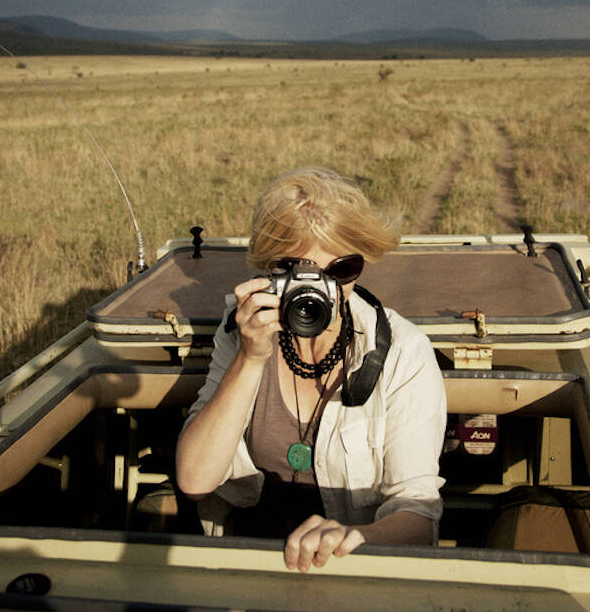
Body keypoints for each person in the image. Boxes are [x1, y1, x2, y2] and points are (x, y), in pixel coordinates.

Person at [176, 166, 446, 573]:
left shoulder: (402, 352)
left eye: (341, 271)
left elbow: (418, 515)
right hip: (252, 559)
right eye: (296, 271)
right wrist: (250, 358)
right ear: (268, 269)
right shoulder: (243, 330)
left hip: (352, 566)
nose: (319, 289)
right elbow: (195, 480)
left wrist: (353, 540)